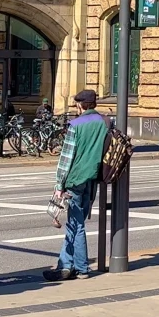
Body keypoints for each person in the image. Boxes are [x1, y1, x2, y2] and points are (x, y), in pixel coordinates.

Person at [45, 89, 109, 282]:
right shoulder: (105, 122)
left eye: (76, 105)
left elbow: (66, 158)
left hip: (75, 178)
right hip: (93, 177)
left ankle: (81, 268)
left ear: (81, 105)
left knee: (77, 224)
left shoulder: (75, 125)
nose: (76, 108)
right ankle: (65, 266)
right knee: (75, 223)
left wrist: (59, 184)